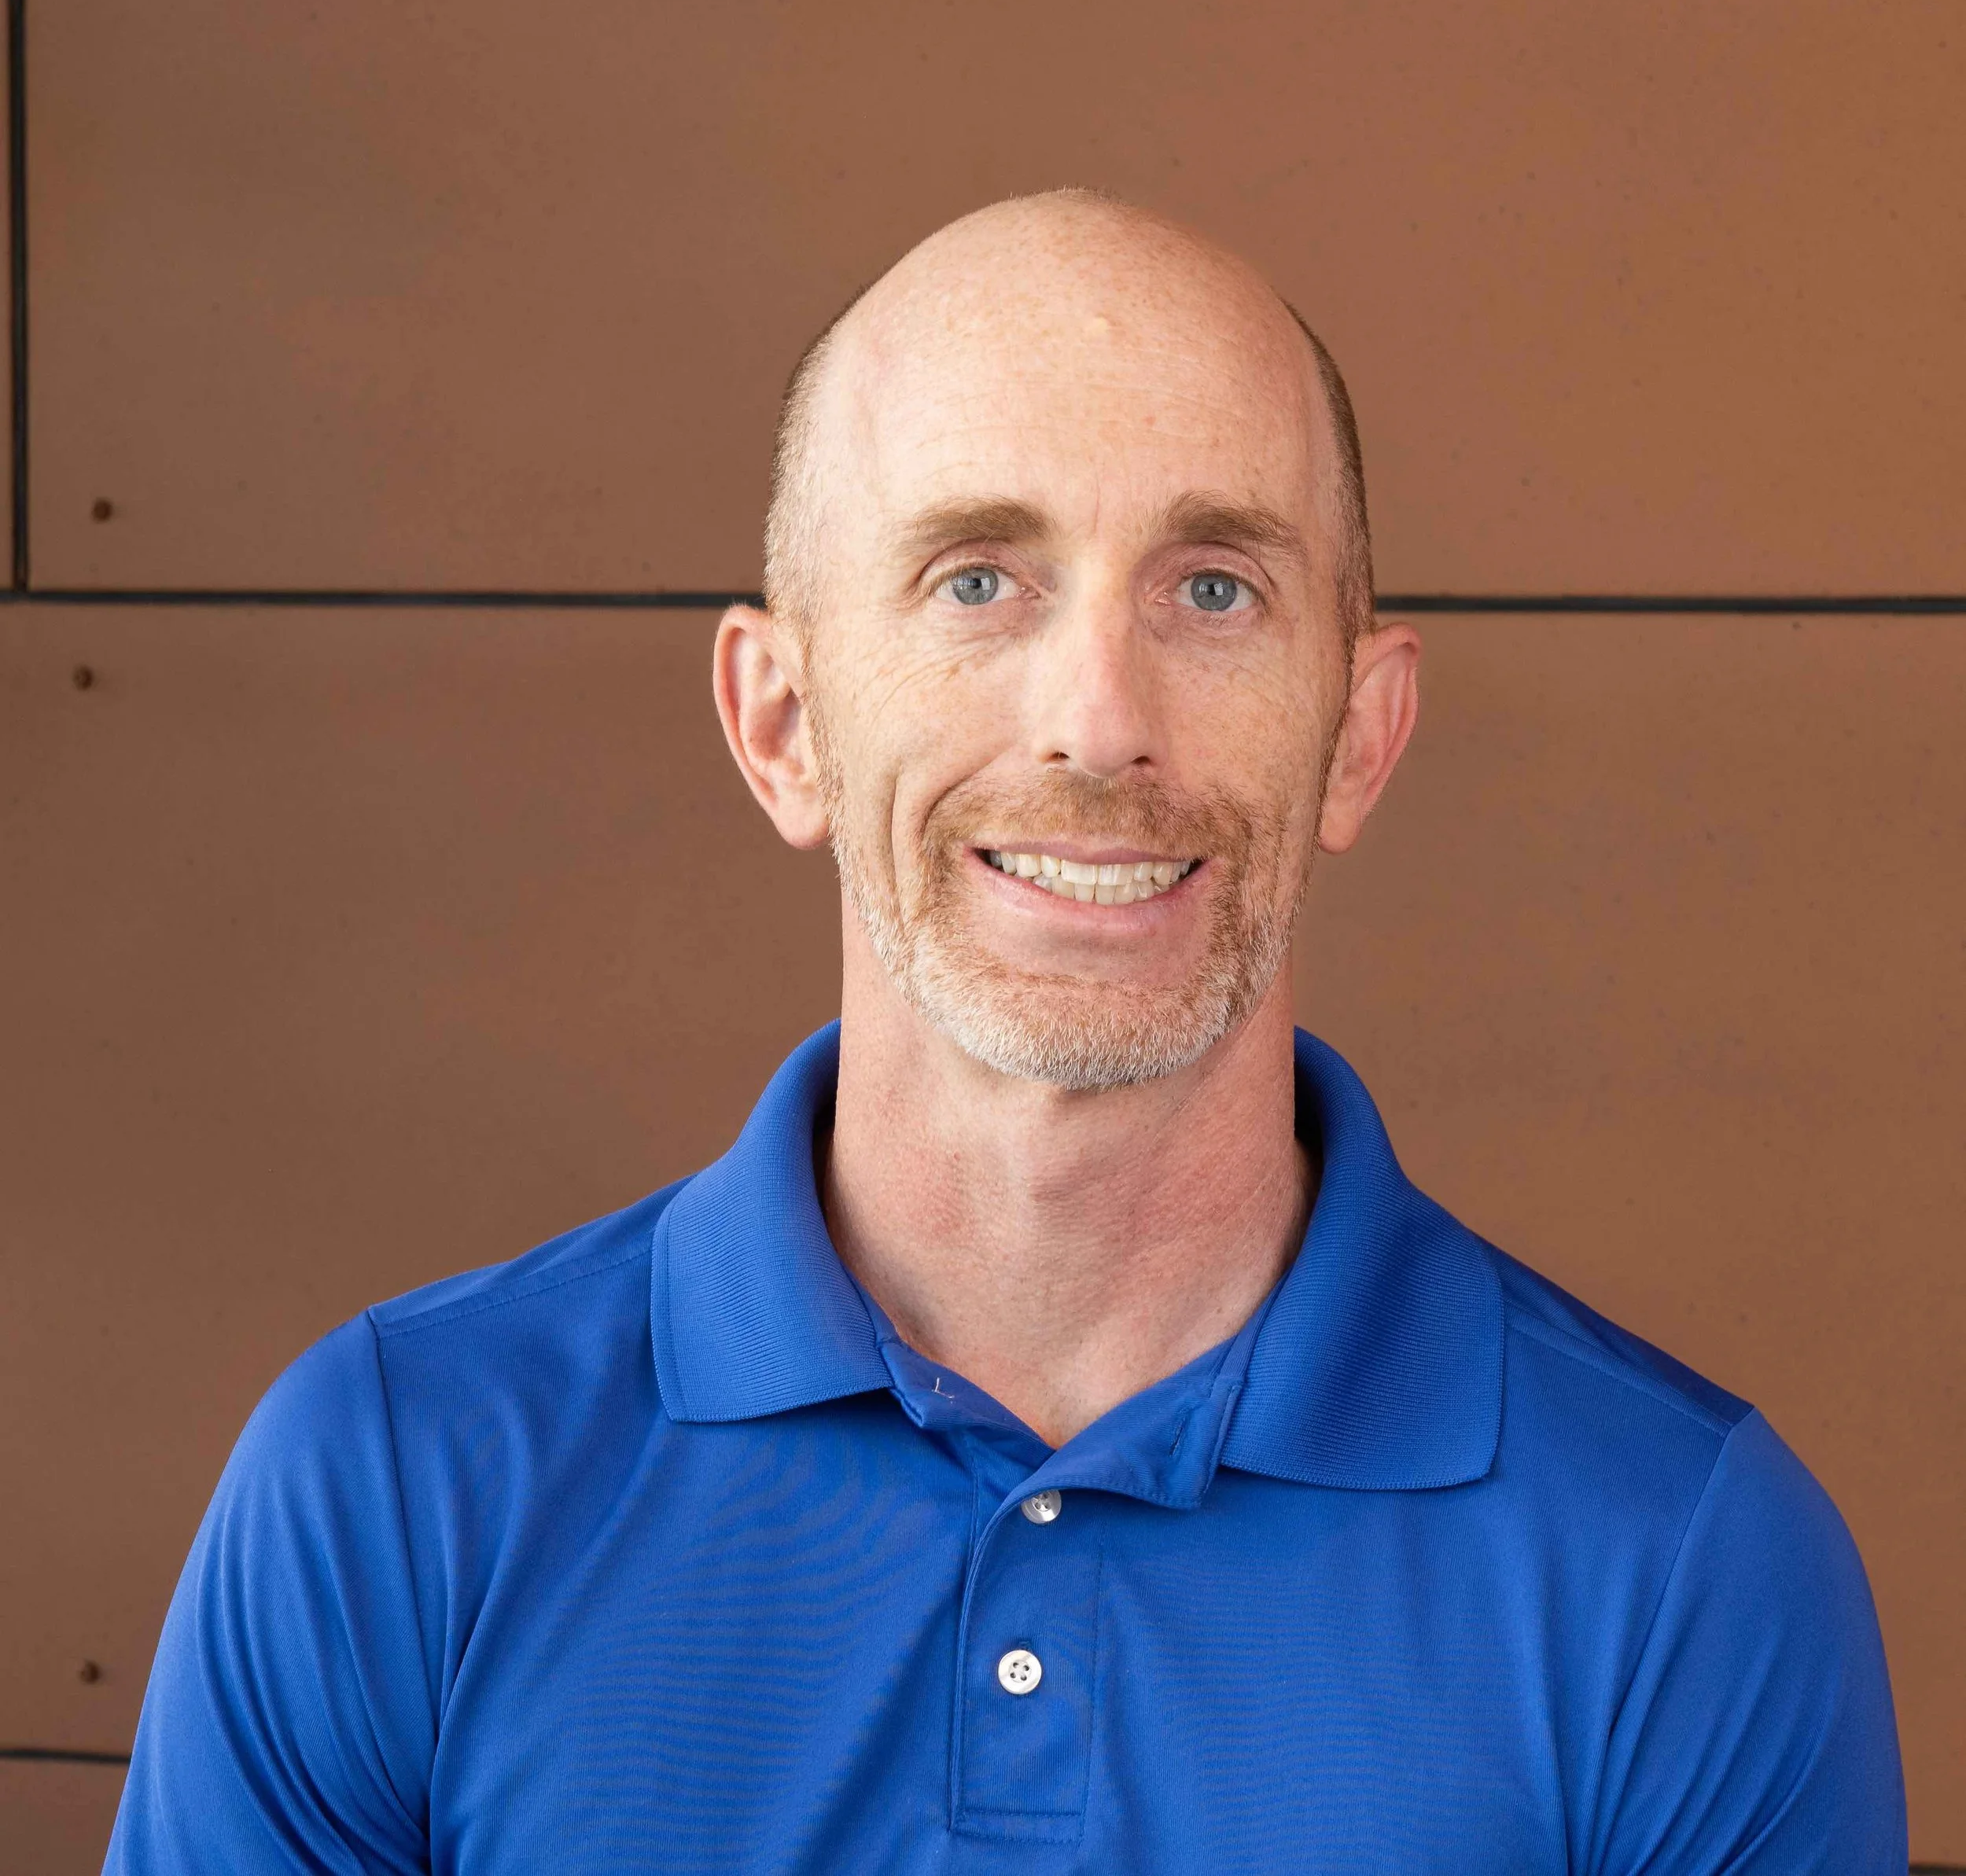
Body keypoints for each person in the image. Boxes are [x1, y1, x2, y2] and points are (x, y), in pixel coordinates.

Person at [108, 191, 1905, 1873]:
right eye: (977, 578)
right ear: (782, 723)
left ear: (1358, 733)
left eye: (1213, 586)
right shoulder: (392, 1480)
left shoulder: (1684, 1556)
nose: (1098, 718)